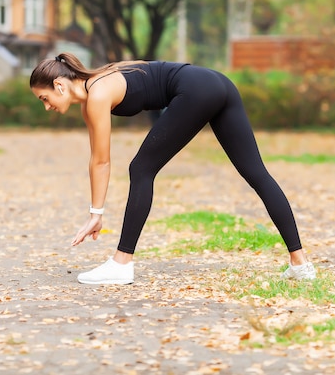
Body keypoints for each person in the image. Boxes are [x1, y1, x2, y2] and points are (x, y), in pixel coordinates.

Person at [29, 52, 316, 285]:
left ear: (59, 85)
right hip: (217, 83)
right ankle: (300, 264)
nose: (46, 107)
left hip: (196, 89)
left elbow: (102, 161)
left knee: (141, 168)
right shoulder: (98, 84)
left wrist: (96, 214)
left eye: (44, 99)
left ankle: (121, 263)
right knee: (257, 174)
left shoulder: (98, 94)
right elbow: (97, 160)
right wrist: (96, 213)